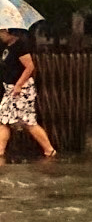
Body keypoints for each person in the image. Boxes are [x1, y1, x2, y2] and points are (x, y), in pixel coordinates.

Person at [0, 27, 56, 163]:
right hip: (10, 89)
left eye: (1, 32)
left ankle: (49, 149)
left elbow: (30, 67)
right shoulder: (7, 46)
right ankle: (0, 150)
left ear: (7, 31)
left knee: (28, 121)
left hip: (21, 89)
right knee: (3, 119)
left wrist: (19, 84)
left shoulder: (20, 46)